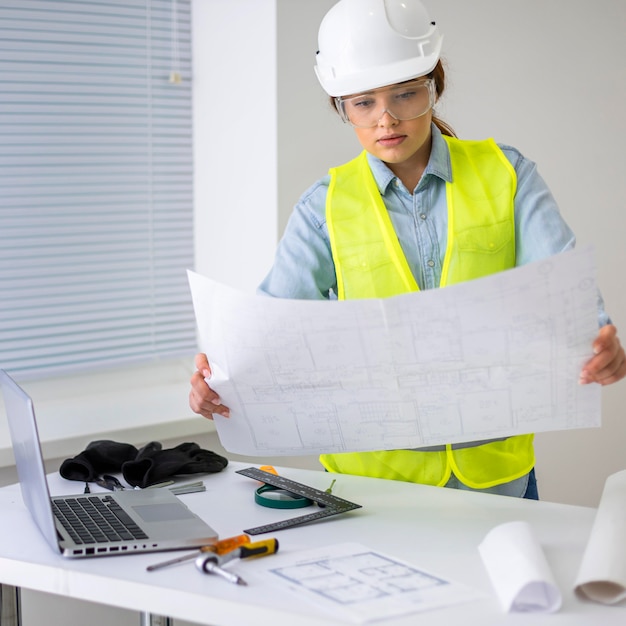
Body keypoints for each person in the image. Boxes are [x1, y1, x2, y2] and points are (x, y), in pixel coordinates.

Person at [189, 0, 626, 499]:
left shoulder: (506, 174)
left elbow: (565, 289)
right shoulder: (324, 207)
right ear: (341, 107)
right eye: (363, 103)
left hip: (496, 477)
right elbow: (268, 332)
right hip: (373, 486)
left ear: (433, 87)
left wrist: (599, 344)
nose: (386, 119)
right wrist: (218, 380)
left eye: (406, 94)